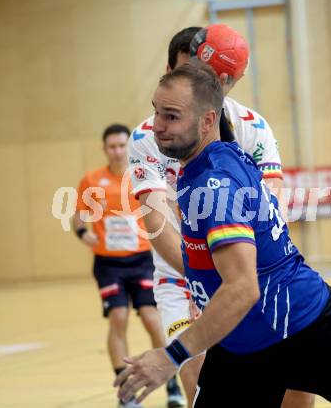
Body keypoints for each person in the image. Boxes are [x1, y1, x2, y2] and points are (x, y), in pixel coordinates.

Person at [115, 62, 331, 408]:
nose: (157, 126)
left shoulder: (216, 185)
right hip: (242, 342)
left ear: (208, 121)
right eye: (156, 112)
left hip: (305, 330)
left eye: (171, 116)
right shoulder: (210, 161)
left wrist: (170, 356)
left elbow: (243, 288)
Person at [127, 26, 315, 408]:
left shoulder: (254, 127)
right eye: (189, 72)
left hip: (253, 272)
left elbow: (272, 208)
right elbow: (158, 223)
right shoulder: (148, 136)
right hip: (183, 275)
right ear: (169, 73)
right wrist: (202, 281)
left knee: (298, 382)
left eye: (211, 75)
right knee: (197, 372)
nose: (199, 82)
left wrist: (241, 281)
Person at [73, 124, 185, 408]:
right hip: (109, 263)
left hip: (142, 259)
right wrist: (83, 234)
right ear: (104, 149)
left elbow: (165, 206)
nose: (117, 151)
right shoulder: (91, 180)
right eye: (112, 146)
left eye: (122, 145)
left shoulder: (141, 176)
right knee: (118, 317)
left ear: (128, 146)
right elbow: (78, 216)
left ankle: (172, 382)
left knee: (151, 317)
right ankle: (126, 390)